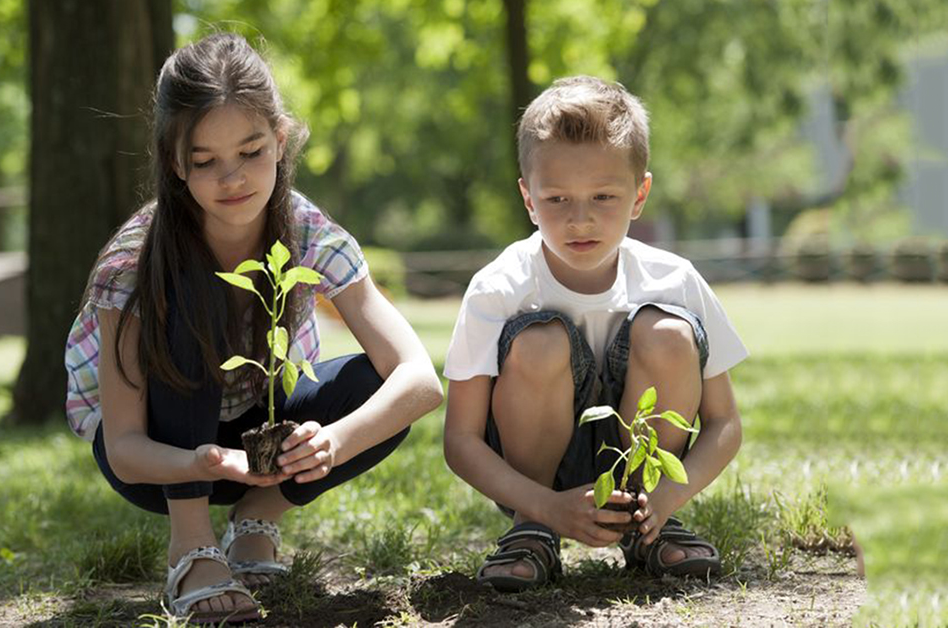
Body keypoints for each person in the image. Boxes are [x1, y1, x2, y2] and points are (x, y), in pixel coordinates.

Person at [64, 33, 443, 623]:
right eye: (204, 161)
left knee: (379, 385)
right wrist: (204, 464)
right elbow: (126, 449)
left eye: (251, 151)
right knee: (193, 292)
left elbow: (421, 378)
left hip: (265, 440)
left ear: (281, 140)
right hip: (162, 455)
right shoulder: (136, 262)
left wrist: (331, 444)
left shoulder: (307, 230)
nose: (233, 178)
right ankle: (191, 545)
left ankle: (256, 519)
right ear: (173, 161)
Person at [442, 76, 748, 591]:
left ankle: (647, 527)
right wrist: (543, 504)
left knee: (669, 334)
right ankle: (533, 531)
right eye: (557, 198)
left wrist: (668, 496)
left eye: (603, 196)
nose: (580, 220)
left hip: (646, 474)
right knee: (539, 342)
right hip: (535, 478)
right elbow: (461, 440)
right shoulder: (499, 287)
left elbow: (724, 423)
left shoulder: (675, 279)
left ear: (639, 194)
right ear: (528, 198)